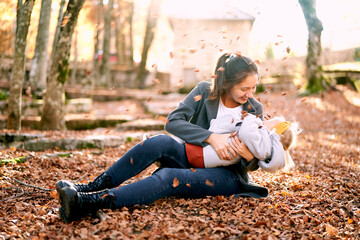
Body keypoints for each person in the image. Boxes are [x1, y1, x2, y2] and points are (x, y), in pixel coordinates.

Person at [57, 53, 272, 223]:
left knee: (170, 176)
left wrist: (247, 155)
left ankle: (88, 202)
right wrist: (210, 137)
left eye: (253, 87)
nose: (250, 94)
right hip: (192, 156)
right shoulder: (205, 91)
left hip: (227, 176)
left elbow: (258, 157)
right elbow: (173, 122)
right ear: (226, 83)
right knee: (159, 141)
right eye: (244, 88)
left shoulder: (254, 108)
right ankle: (90, 187)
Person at [186, 112, 299, 172]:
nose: (265, 121)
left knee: (179, 150)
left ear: (273, 132)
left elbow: (247, 132)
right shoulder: (262, 145)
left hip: (202, 154)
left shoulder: (262, 143)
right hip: (205, 154)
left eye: (269, 121)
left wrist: (252, 118)